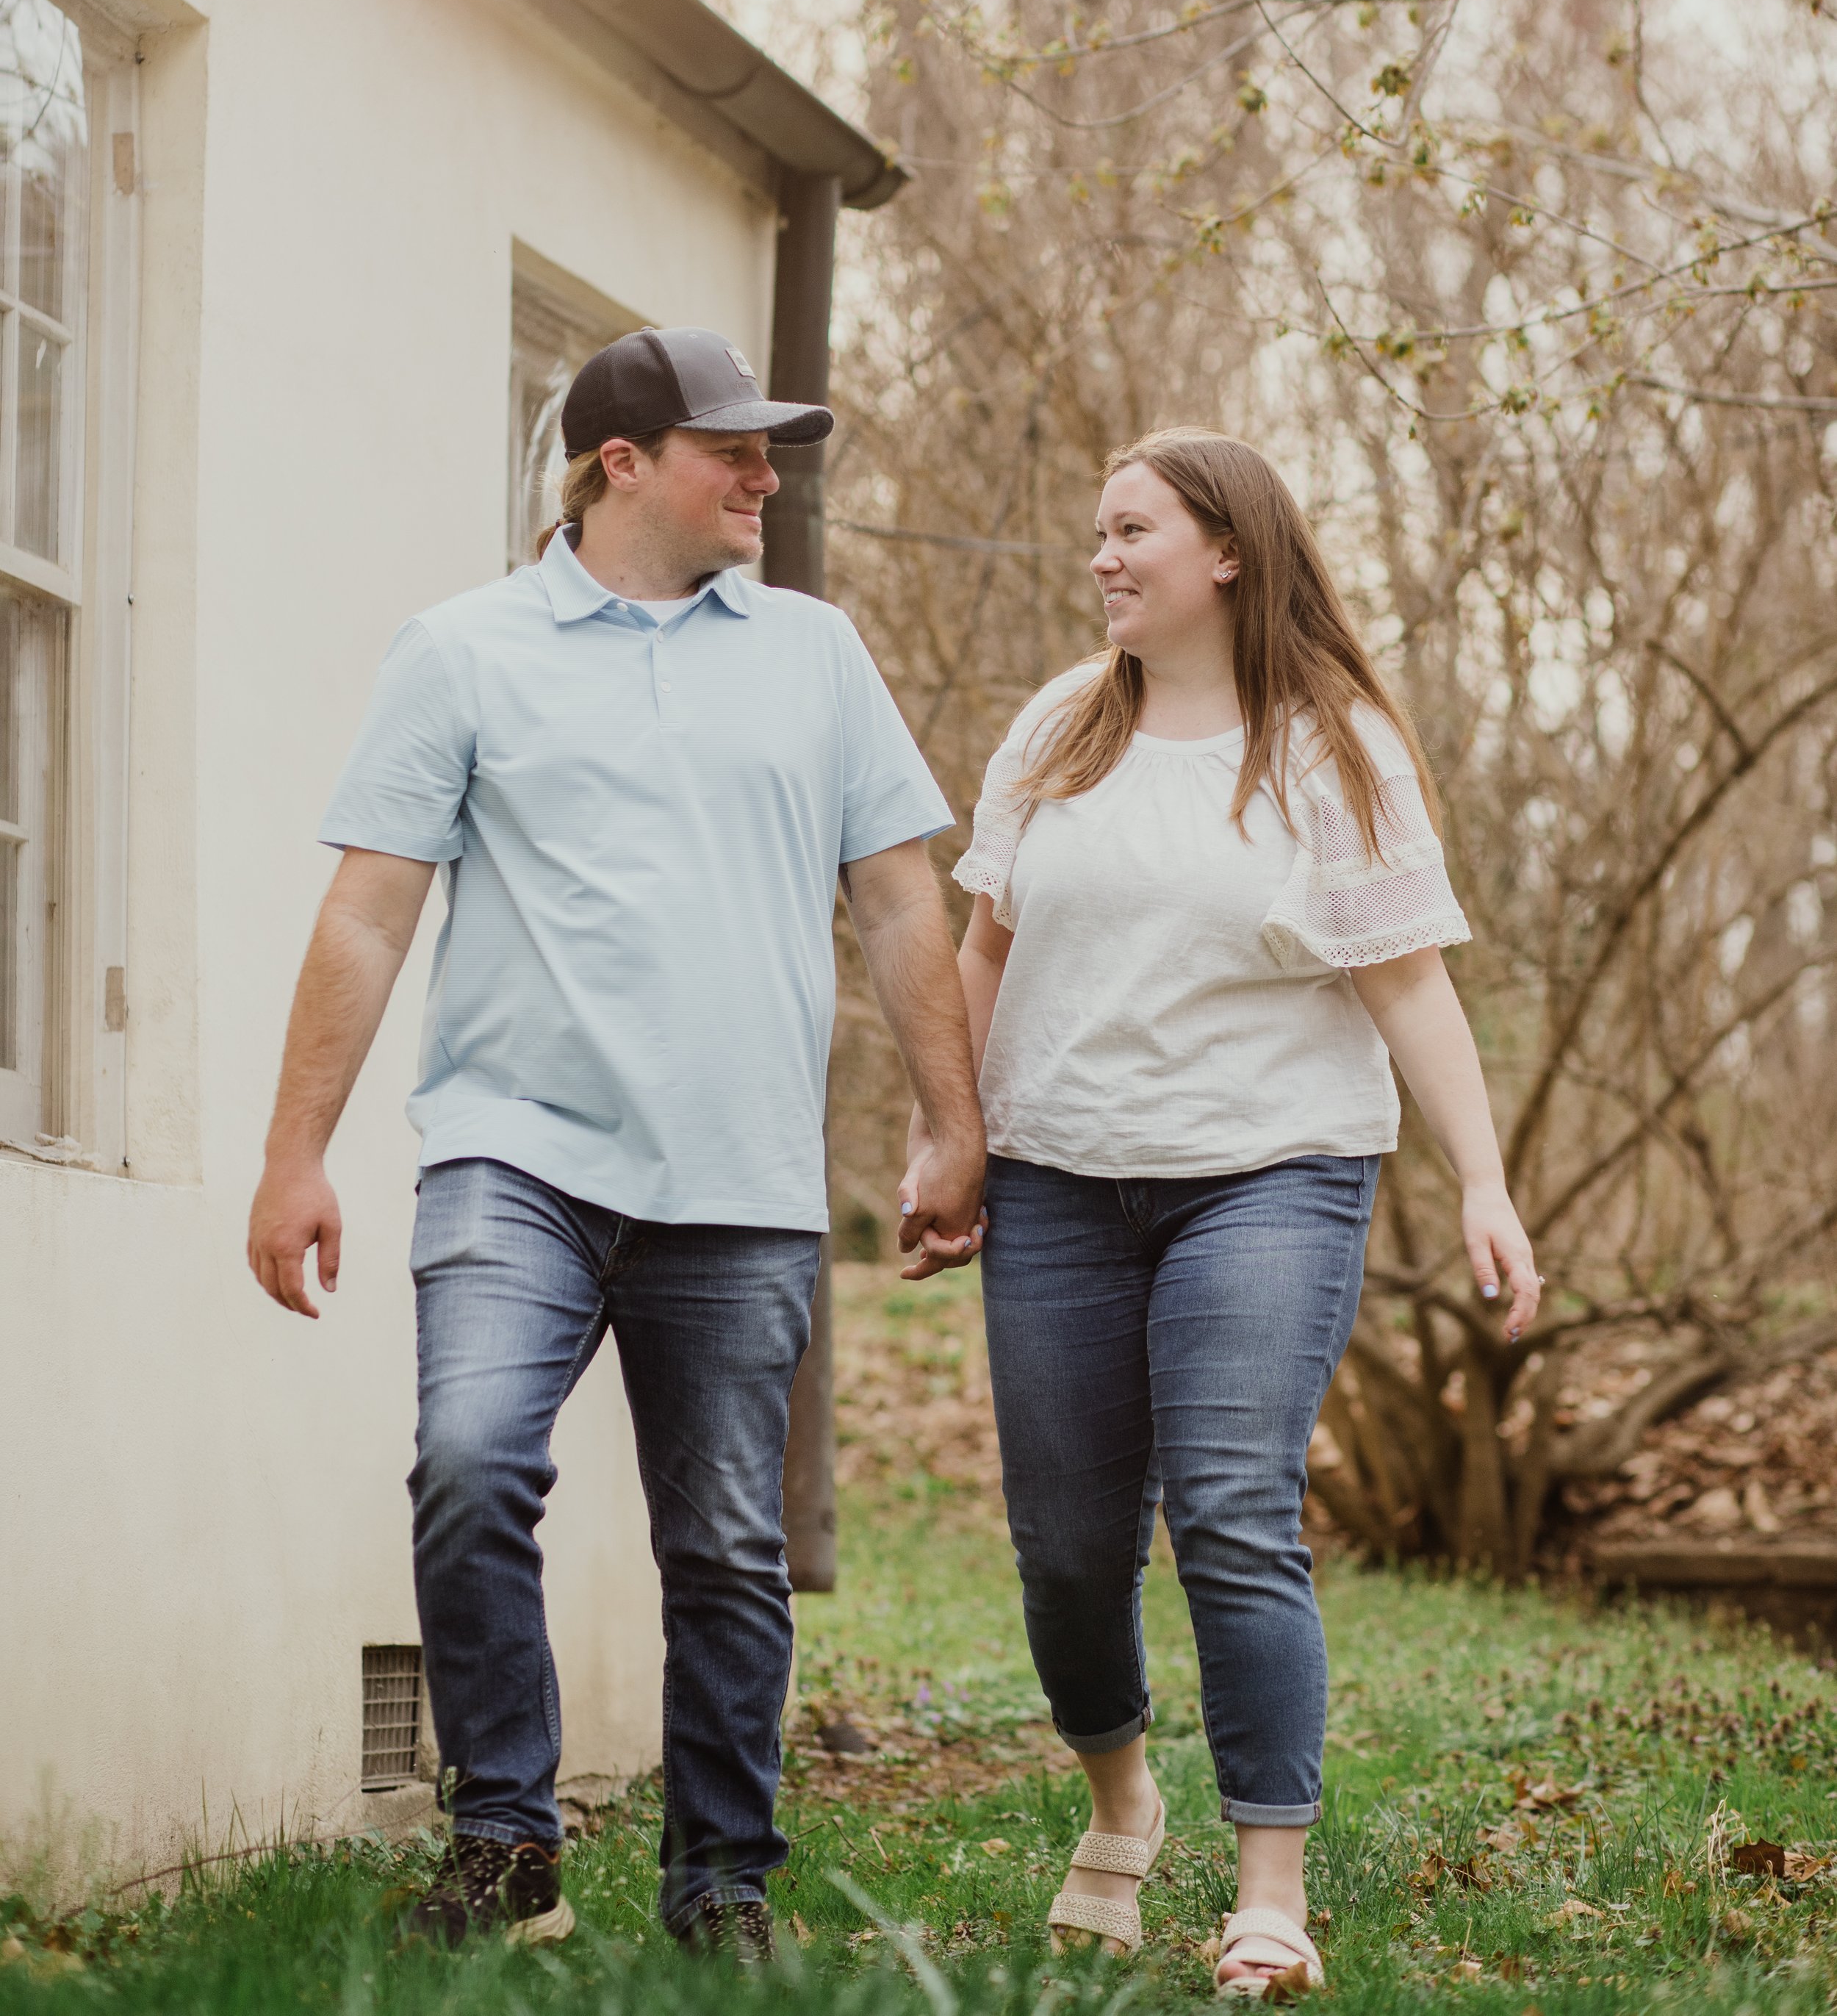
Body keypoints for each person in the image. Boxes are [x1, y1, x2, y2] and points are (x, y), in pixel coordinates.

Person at [247, 326, 986, 1956]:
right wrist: (296, 1151)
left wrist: (953, 1121)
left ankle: (721, 1878)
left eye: (766, 449)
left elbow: (896, 895)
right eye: (730, 447)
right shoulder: (461, 651)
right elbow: (371, 915)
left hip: (738, 1179)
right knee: (469, 1465)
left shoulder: (814, 654)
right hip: (516, 1157)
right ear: (620, 462)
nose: (762, 474)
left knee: (724, 1543)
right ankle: (507, 1844)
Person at [949, 428, 1539, 1999]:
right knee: (1067, 1549)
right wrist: (953, 1143)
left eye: (1130, 527)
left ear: (1225, 551)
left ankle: (1267, 1890)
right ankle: (1119, 1802)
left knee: (1227, 1506)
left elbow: (1405, 986)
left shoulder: (1327, 744)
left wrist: (1480, 1179)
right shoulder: (1060, 729)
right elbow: (982, 953)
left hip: (1267, 1174)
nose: (1101, 556)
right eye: (1096, 530)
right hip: (1058, 1176)